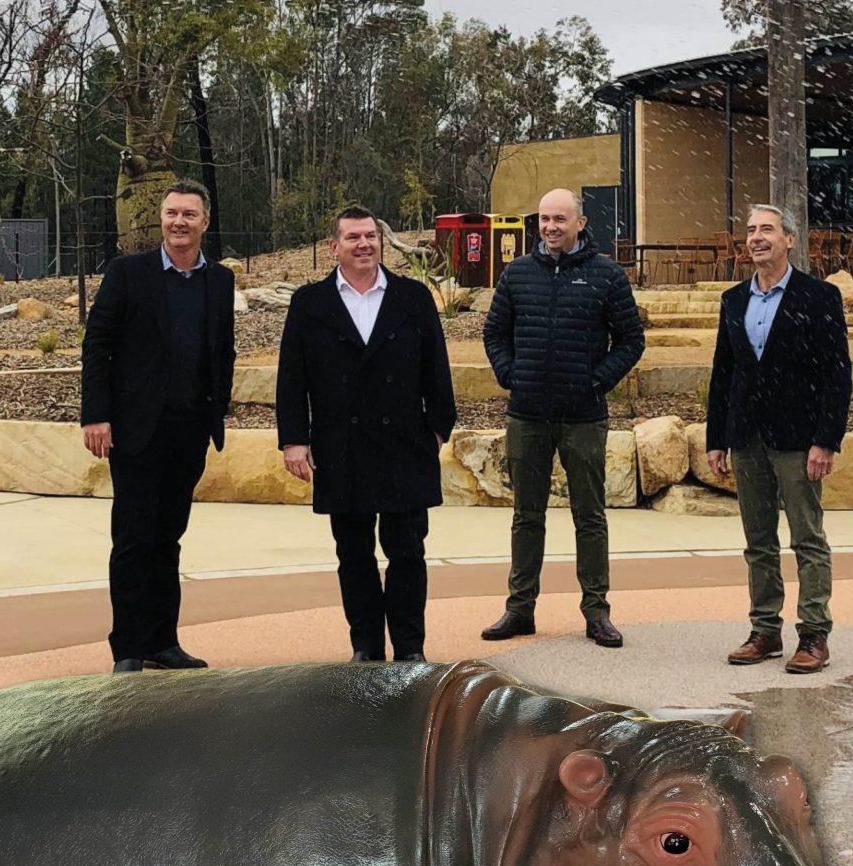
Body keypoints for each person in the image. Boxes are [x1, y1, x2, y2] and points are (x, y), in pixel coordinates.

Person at [276, 205, 456, 663]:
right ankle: (366, 647)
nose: (364, 244)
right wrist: (294, 440)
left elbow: (437, 369)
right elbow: (291, 378)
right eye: (353, 237)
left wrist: (438, 428)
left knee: (407, 552)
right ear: (334, 247)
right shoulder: (309, 304)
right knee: (353, 554)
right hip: (340, 448)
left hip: (405, 446)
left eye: (371, 236)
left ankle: (410, 648)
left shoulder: (413, 298)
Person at [81, 180, 236, 673]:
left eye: (189, 214)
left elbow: (223, 350)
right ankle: (127, 648)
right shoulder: (129, 274)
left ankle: (162, 641)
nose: (179, 222)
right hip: (136, 430)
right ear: (161, 219)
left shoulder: (221, 281)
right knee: (132, 539)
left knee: (169, 537)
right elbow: (97, 345)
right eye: (172, 213)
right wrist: (96, 414)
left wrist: (219, 408)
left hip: (190, 430)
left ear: (205, 222)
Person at [481, 187, 645, 648]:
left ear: (580, 223)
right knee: (525, 516)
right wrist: (513, 375)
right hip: (527, 415)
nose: (550, 227)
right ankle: (519, 609)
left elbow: (631, 340)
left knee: (589, 517)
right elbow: (494, 332)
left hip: (583, 417)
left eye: (559, 219)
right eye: (544, 219)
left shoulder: (606, 276)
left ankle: (596, 611)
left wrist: (595, 382)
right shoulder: (517, 274)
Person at [706, 204, 852, 674]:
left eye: (766, 229)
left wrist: (826, 439)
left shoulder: (819, 297)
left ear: (791, 239)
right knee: (758, 540)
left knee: (807, 538)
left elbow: (837, 374)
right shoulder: (733, 300)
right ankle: (765, 630)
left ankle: (813, 634)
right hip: (747, 438)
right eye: (750, 231)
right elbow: (723, 374)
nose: (756, 238)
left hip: (798, 439)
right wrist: (716, 438)